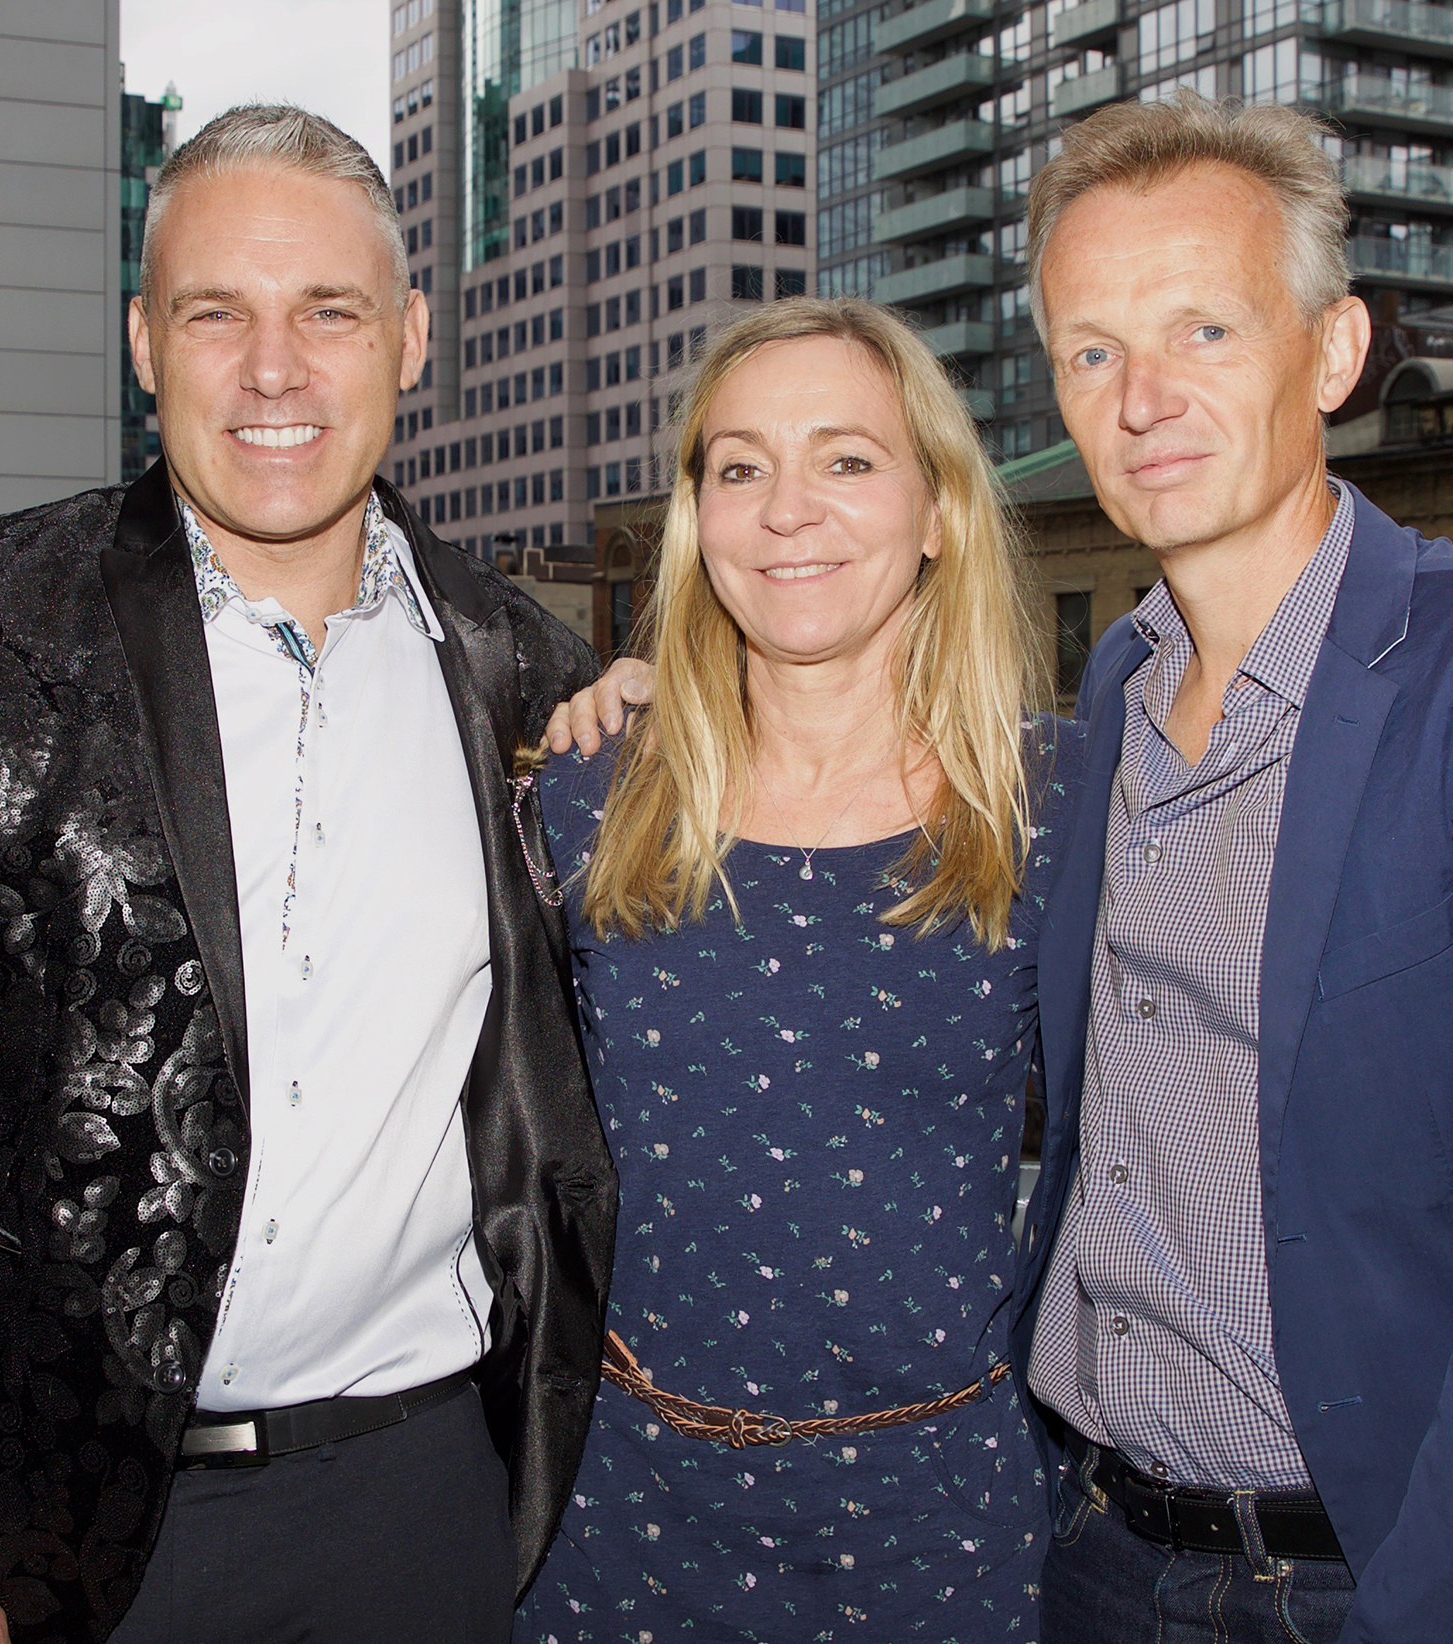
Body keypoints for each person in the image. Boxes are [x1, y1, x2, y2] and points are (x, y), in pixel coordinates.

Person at [550, 94, 1453, 1643]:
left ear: (1331, 352)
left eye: (1203, 331)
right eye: (1092, 351)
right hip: (1094, 1550)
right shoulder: (1110, 702)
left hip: (1388, 1568)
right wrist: (653, 703)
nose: (1143, 398)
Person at [0, 104, 613, 1644]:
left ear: (410, 337)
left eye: (328, 312)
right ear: (145, 342)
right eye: (217, 313)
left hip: (423, 1498)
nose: (274, 369)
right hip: (56, 1529)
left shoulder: (520, 671)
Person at [516, 298, 1067, 1644]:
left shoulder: (1051, 804)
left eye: (847, 459)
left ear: (938, 511)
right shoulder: (590, 796)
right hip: (622, 1516)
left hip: (942, 1526)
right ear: (696, 517)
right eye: (740, 466)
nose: (785, 511)